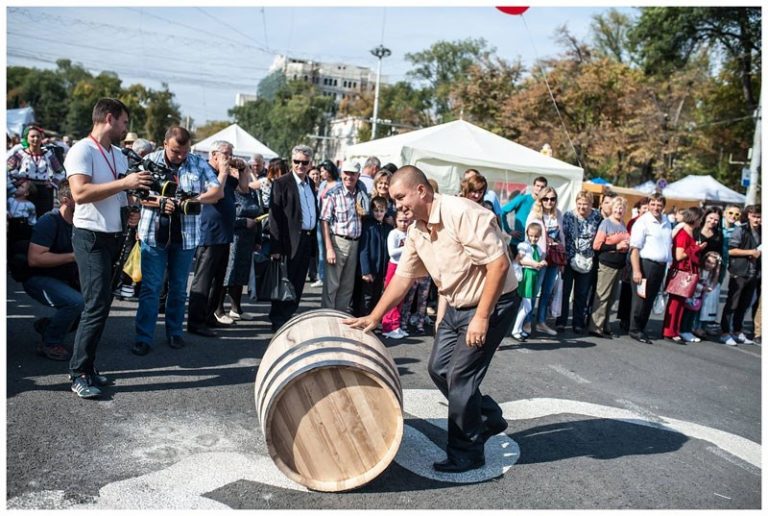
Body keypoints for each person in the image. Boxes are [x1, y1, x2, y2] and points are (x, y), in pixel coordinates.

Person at [344, 165, 519, 474]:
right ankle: (487, 417)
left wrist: (482, 317)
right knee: (438, 368)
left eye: (401, 197)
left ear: (421, 190)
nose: (397, 205)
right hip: (456, 305)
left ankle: (467, 452)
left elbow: (499, 264)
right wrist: (374, 316)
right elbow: (403, 278)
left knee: (461, 377)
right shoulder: (417, 229)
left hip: (491, 304)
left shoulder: (461, 213)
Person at [65, 97, 150, 398]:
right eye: (125, 122)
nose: (127, 129)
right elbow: (80, 192)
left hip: (113, 236)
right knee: (96, 305)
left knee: (101, 306)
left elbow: (117, 191)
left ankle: (88, 368)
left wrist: (131, 208)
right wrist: (125, 184)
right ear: (110, 118)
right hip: (90, 236)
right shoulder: (81, 149)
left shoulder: (117, 153)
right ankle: (78, 373)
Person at [131, 127, 223, 355]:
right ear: (164, 144)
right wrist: (159, 201)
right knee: (151, 289)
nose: (181, 156)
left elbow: (217, 191)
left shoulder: (197, 162)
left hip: (186, 237)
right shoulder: (148, 161)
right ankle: (144, 337)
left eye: (184, 151)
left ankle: (175, 333)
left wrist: (192, 200)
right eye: (175, 152)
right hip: (154, 235)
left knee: (179, 289)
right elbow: (134, 193)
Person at [186, 141, 242, 335]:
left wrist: (244, 168)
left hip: (224, 233)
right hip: (209, 233)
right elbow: (216, 194)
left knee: (218, 281)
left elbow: (243, 186)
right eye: (225, 154)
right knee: (203, 280)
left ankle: (210, 316)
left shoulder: (224, 174)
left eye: (230, 154)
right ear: (213, 155)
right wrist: (224, 172)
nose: (228, 158)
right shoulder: (206, 171)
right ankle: (195, 322)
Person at [23, 181, 82, 361]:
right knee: (76, 302)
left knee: (92, 303)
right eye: (79, 197)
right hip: (38, 278)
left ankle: (49, 326)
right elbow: (35, 259)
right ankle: (50, 343)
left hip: (65, 278)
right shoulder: (49, 221)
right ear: (66, 200)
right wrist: (74, 256)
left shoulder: (81, 223)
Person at [268, 144, 319, 331]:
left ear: (310, 164)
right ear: (291, 161)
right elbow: (275, 217)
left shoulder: (311, 184)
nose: (300, 166)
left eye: (304, 162)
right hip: (287, 241)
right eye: (296, 161)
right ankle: (278, 318)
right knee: (284, 280)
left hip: (307, 239)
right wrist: (275, 247)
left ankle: (289, 314)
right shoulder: (281, 183)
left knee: (298, 282)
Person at [320, 160, 369, 312]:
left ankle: (339, 318)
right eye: (346, 173)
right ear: (341, 174)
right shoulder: (333, 193)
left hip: (355, 243)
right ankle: (327, 317)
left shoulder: (362, 194)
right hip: (338, 242)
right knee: (332, 285)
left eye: (353, 174)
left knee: (347, 286)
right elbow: (324, 221)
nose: (349, 177)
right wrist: (328, 248)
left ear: (358, 175)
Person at [219, 160, 263, 322]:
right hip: (232, 239)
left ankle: (236, 308)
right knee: (227, 274)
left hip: (248, 239)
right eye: (246, 172)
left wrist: (257, 239)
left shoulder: (252, 192)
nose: (249, 175)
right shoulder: (228, 192)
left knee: (241, 273)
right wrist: (243, 222)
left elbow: (258, 215)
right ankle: (218, 309)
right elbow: (225, 218)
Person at [628, 193, 673, 344]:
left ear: (663, 206)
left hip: (660, 266)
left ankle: (642, 327)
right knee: (641, 299)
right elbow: (634, 248)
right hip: (646, 264)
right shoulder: (643, 222)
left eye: (659, 205)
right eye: (653, 204)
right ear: (649, 205)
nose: (656, 207)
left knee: (650, 299)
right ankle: (635, 329)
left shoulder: (666, 221)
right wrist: (637, 270)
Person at [556, 190, 601, 333]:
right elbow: (562, 236)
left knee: (581, 293)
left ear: (591, 204)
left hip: (587, 260)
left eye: (585, 204)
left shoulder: (596, 217)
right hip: (569, 258)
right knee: (565, 291)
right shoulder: (569, 216)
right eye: (579, 204)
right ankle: (561, 320)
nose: (582, 207)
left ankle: (578, 322)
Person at [587, 196, 630, 338]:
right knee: (602, 296)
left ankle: (605, 325)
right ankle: (595, 326)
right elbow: (597, 245)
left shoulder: (623, 224)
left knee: (612, 298)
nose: (619, 210)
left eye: (622, 208)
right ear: (612, 208)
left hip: (619, 266)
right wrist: (616, 246)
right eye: (617, 207)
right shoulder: (606, 223)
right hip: (607, 265)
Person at [525, 185, 564, 336]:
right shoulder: (534, 215)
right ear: (540, 200)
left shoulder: (558, 215)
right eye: (546, 199)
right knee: (534, 290)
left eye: (552, 199)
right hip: (538, 257)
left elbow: (562, 238)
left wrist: (562, 259)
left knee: (547, 291)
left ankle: (541, 322)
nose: (549, 202)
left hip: (554, 258)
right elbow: (527, 238)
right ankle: (527, 321)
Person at [662, 207, 704, 343]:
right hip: (680, 271)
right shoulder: (683, 234)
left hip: (686, 272)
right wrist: (696, 248)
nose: (701, 221)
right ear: (695, 218)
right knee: (675, 303)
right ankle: (669, 331)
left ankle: (675, 330)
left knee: (680, 303)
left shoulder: (690, 232)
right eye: (700, 219)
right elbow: (679, 256)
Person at [720, 205, 761, 346]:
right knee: (732, 303)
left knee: (744, 304)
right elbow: (731, 251)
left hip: (754, 273)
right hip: (739, 271)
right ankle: (725, 332)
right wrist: (751, 252)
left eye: (759, 217)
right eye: (754, 216)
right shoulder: (741, 229)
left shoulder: (762, 231)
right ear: (748, 215)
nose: (757, 219)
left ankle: (737, 331)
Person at [7, 125, 66, 217]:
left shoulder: (48, 154)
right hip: (26, 192)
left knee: (44, 219)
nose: (36, 139)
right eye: (32, 136)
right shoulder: (20, 154)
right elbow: (7, 171)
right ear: (27, 138)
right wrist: (18, 184)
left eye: (38, 136)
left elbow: (61, 172)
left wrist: (53, 183)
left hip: (44, 192)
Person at [354, 196, 392, 317]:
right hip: (370, 269)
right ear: (371, 210)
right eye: (376, 210)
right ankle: (362, 319)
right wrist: (365, 271)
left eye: (381, 211)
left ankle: (372, 320)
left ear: (386, 211)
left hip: (382, 269)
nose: (379, 213)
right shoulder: (368, 226)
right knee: (366, 297)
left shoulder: (388, 227)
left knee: (377, 296)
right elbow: (364, 249)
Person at [510, 223, 547, 341]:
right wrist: (534, 264)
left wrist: (543, 262)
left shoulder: (538, 248)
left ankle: (519, 329)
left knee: (525, 306)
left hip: (533, 276)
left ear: (540, 236)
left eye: (536, 236)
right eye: (531, 236)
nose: (533, 238)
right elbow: (519, 260)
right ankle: (516, 330)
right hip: (526, 275)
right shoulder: (524, 246)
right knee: (527, 306)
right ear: (527, 234)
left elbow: (540, 259)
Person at [617, 197, 650, 331]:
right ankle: (625, 318)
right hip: (630, 259)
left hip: (645, 260)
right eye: (644, 208)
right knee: (627, 291)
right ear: (640, 209)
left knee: (641, 292)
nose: (646, 211)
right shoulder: (633, 222)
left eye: (648, 208)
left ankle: (636, 319)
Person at [381, 211, 411, 340]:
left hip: (404, 267)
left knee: (400, 297)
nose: (404, 224)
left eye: (406, 221)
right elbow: (392, 252)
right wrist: (408, 247)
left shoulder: (409, 234)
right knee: (391, 296)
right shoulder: (393, 234)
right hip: (394, 266)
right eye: (400, 221)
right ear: (395, 221)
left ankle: (396, 325)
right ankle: (387, 327)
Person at [311, 160, 340, 289]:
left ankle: (328, 277)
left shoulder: (338, 185)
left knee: (331, 249)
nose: (321, 173)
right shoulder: (323, 184)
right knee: (321, 250)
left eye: (323, 171)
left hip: (332, 222)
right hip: (320, 221)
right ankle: (321, 276)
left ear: (329, 170)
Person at [500, 175, 547, 244]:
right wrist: (508, 230)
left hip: (536, 244)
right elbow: (502, 211)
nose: (539, 188)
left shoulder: (546, 203)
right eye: (537, 186)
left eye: (542, 187)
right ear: (534, 186)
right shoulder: (523, 199)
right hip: (518, 243)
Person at [7, 178, 38, 243]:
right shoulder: (10, 200)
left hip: (22, 227)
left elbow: (32, 220)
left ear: (26, 193)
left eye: (21, 187)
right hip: (10, 225)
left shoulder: (30, 205)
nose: (18, 187)